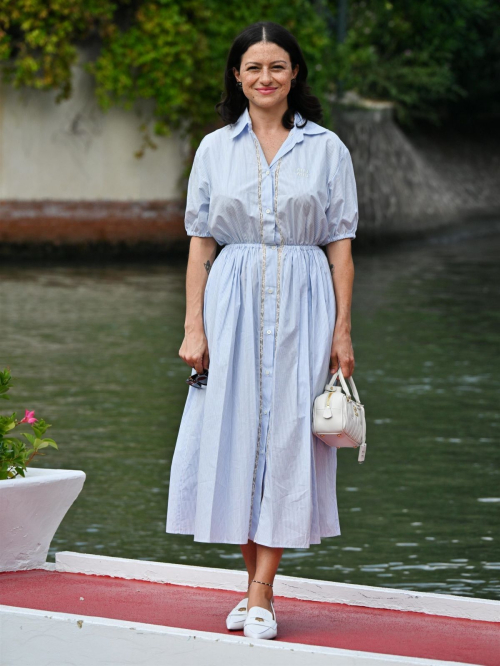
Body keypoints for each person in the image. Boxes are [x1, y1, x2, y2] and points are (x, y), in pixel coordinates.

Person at [166, 20, 358, 641]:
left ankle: (260, 594)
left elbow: (340, 248)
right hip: (232, 298)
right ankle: (256, 593)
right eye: (254, 67)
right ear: (237, 76)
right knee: (236, 438)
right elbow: (200, 243)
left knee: (287, 440)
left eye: (277, 66)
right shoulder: (214, 148)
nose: (265, 77)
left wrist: (343, 332)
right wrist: (194, 325)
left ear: (294, 72)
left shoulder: (327, 148)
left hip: (306, 302)